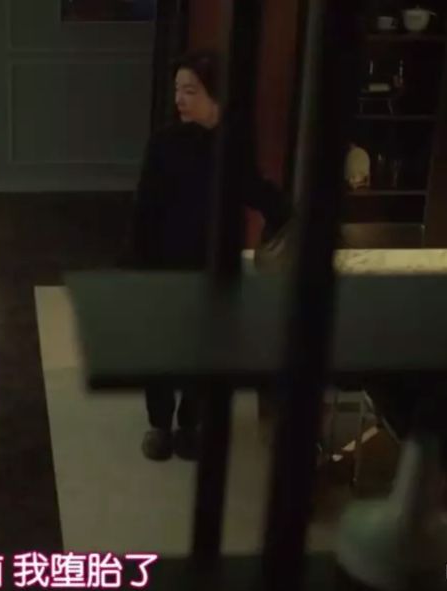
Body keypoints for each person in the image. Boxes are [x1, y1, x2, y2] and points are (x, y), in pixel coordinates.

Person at [129, 50, 293, 461]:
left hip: (213, 261)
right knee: (161, 349)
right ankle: (159, 424)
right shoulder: (164, 143)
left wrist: (288, 212)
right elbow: (144, 210)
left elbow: (252, 187)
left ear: (215, 95)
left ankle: (190, 423)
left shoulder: (232, 143)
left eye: (190, 91)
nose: (179, 100)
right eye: (177, 90)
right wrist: (135, 264)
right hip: (166, 261)